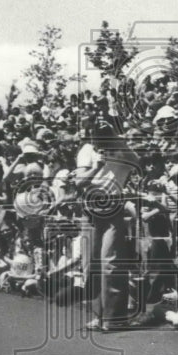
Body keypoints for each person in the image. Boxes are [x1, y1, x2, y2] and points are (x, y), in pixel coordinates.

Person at [72, 116, 140, 331]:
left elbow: (138, 163)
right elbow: (79, 181)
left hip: (113, 209)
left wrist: (116, 144)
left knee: (111, 262)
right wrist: (97, 166)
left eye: (102, 138)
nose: (98, 143)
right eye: (95, 138)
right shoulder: (87, 151)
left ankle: (115, 317)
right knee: (90, 264)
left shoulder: (124, 150)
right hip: (91, 209)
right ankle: (98, 315)